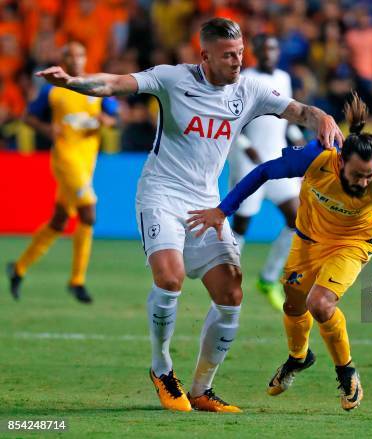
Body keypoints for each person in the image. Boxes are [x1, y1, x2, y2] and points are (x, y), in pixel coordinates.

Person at [33, 17, 343, 413]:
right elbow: (114, 83)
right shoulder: (172, 79)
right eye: (229, 55)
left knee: (231, 293)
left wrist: (324, 118)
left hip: (206, 206)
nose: (237, 61)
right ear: (205, 55)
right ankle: (162, 369)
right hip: (161, 194)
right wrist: (73, 82)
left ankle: (201, 389)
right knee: (170, 276)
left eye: (240, 53)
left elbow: (298, 111)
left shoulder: (249, 89)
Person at [186, 93, 372, 411]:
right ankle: (299, 358)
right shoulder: (315, 157)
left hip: (352, 244)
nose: (363, 182)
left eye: (369, 176)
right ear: (341, 161)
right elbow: (262, 173)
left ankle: (347, 373)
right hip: (308, 240)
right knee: (293, 305)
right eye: (357, 174)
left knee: (319, 303)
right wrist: (223, 210)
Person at [7, 41, 118, 303]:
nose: (76, 59)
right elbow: (28, 117)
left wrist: (107, 121)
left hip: (87, 159)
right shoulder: (52, 91)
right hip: (65, 157)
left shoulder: (93, 84)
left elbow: (115, 117)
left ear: (85, 57)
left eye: (80, 54)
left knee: (59, 221)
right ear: (64, 60)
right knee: (88, 210)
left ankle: (18, 268)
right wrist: (47, 130)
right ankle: (77, 280)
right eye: (70, 55)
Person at [229, 33, 304, 311]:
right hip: (250, 163)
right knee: (242, 224)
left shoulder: (283, 78)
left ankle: (269, 278)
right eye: (265, 48)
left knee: (298, 219)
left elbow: (287, 116)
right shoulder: (244, 79)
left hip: (279, 161)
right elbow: (232, 121)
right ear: (256, 53)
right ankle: (228, 278)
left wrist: (296, 137)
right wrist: (246, 146)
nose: (270, 52)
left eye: (274, 47)